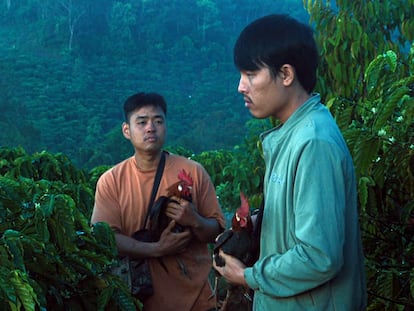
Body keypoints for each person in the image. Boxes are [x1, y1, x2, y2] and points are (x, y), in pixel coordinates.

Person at [212, 14, 367, 310]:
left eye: (250, 74)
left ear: (285, 74)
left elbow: (319, 257)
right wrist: (259, 223)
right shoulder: (290, 135)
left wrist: (247, 275)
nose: (240, 87)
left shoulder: (313, 143)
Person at [91, 92, 225, 311]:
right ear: (127, 130)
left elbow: (216, 231)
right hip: (140, 300)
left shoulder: (193, 171)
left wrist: (195, 220)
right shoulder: (111, 181)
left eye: (158, 121)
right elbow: (106, 238)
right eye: (142, 122)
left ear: (166, 126)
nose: (150, 128)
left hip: (197, 300)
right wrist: (156, 249)